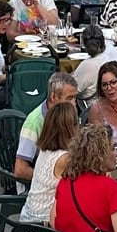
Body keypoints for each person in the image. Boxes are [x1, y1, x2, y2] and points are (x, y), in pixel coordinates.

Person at [20, 93, 80, 225]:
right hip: (43, 226)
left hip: (29, 216)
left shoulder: (46, 149)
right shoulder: (64, 159)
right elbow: (81, 188)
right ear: (70, 128)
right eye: (77, 123)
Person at [14, 73, 80, 185]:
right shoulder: (34, 122)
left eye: (75, 98)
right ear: (54, 97)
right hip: (40, 186)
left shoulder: (69, 114)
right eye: (69, 98)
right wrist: (51, 179)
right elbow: (20, 170)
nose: (74, 103)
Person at [68, 22, 115, 105]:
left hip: (94, 109)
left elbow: (70, 91)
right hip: (116, 103)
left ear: (84, 44)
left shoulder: (88, 65)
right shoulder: (113, 51)